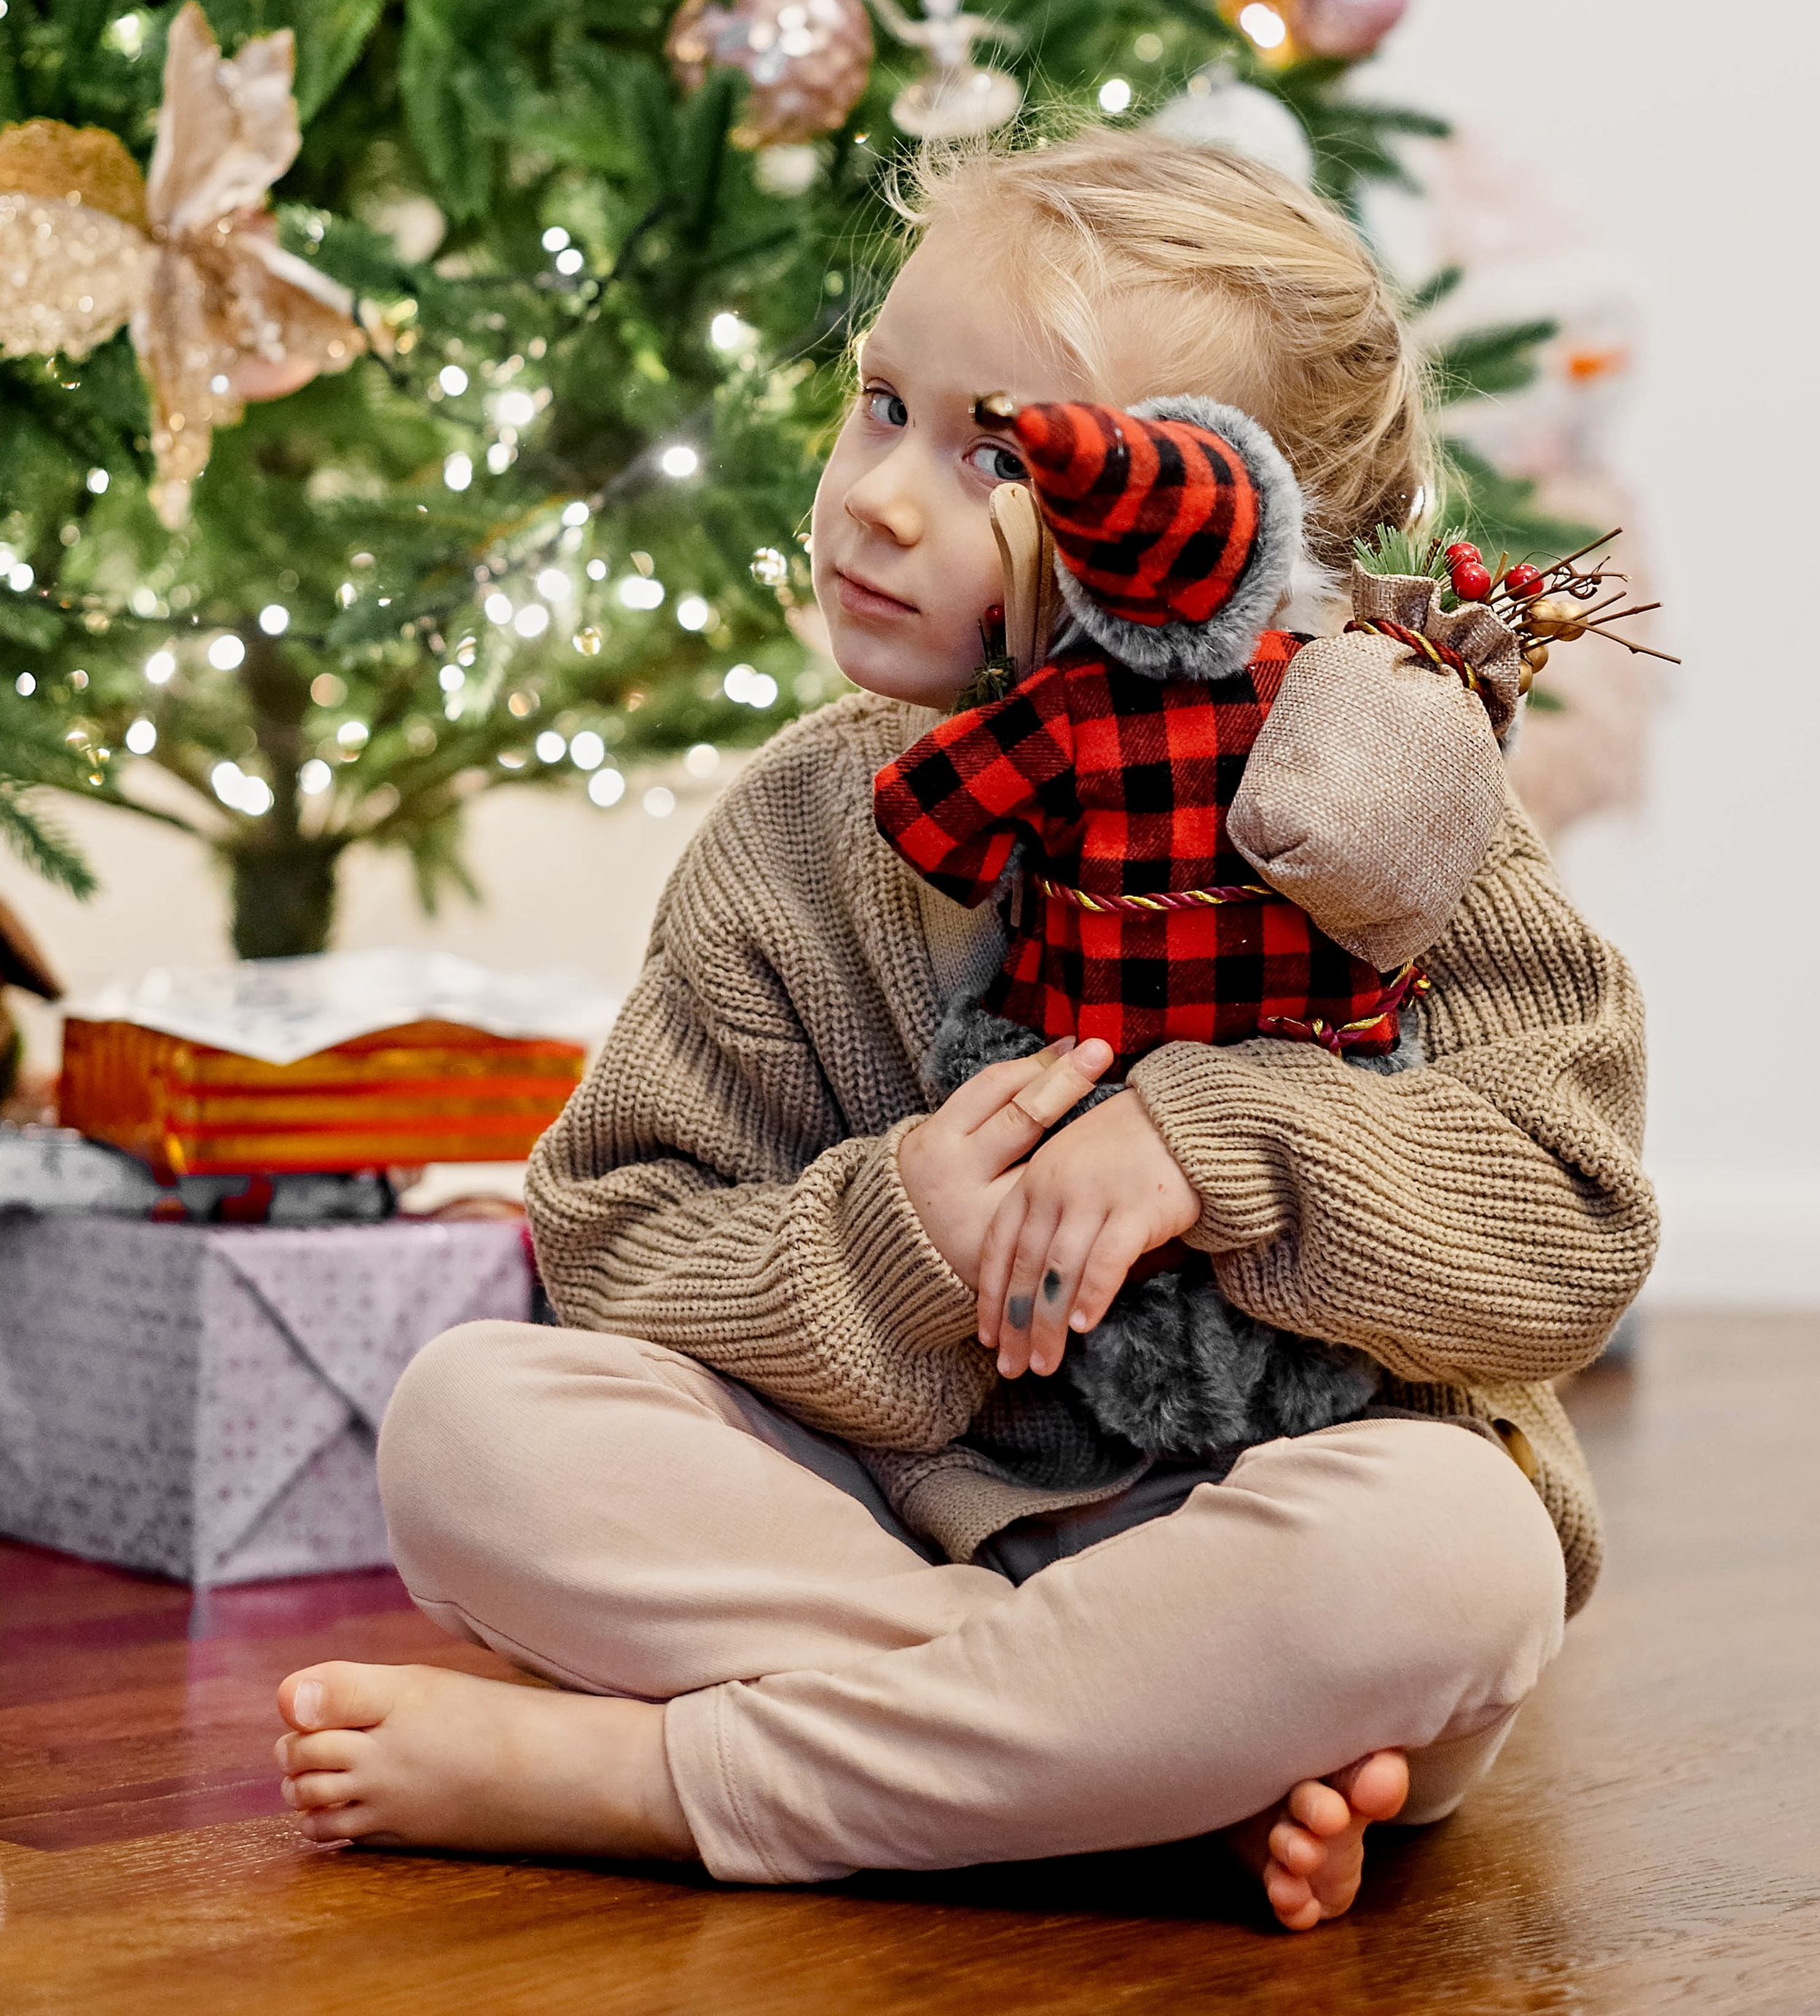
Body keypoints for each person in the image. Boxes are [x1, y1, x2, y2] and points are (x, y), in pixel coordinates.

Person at [272, 129, 1655, 1932]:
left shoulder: (1392, 801)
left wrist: (1218, 1143)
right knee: (465, 1423)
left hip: (1282, 1538)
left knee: (1450, 1557)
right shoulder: (798, 836)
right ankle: (1129, 1766)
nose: (880, 496)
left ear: (1228, 528)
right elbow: (615, 1239)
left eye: (998, 453)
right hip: (896, 1527)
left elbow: (1568, 1225)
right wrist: (898, 1239)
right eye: (880, 405)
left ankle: (678, 1786)